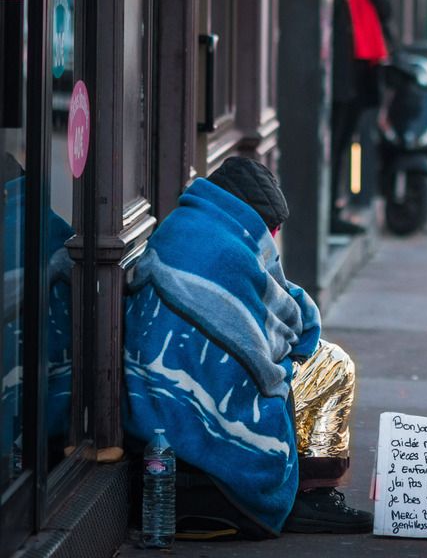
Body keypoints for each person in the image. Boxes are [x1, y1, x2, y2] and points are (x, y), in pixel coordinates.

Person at [124, 157, 371, 537]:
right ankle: (312, 495)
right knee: (332, 364)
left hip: (152, 412)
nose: (271, 242)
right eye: (271, 230)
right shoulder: (231, 251)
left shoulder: (180, 226)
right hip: (202, 424)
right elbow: (291, 330)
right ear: (257, 221)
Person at [331, 0, 391, 235]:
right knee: (336, 142)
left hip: (361, 75)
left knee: (347, 143)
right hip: (339, 78)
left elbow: (386, 12)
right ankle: (330, 211)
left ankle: (339, 206)